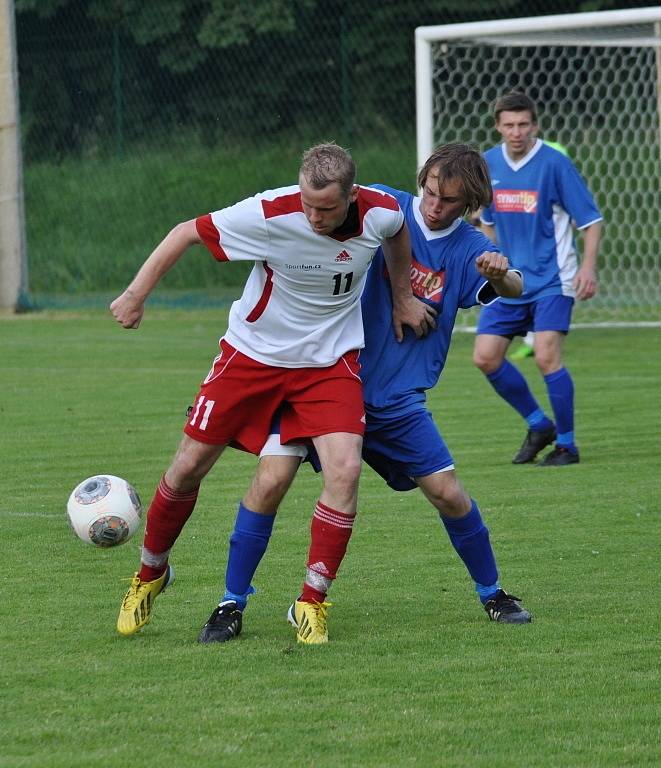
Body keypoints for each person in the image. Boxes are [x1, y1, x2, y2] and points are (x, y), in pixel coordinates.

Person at [197, 143, 532, 647]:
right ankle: (230, 603)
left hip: (396, 401)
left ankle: (493, 593)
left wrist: (500, 273)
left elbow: (515, 286)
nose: (433, 205)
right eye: (430, 191)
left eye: (448, 201)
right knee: (270, 481)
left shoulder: (467, 249)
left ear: (470, 205)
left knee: (448, 493)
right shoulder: (384, 208)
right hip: (323, 380)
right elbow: (320, 201)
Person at [110, 142, 435, 637]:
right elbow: (185, 233)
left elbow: (397, 236)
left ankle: (311, 602)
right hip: (252, 356)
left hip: (330, 363)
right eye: (307, 203)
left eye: (325, 208)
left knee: (345, 472)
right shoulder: (268, 213)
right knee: (188, 467)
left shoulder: (381, 212)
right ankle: (150, 574)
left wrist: (403, 298)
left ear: (352, 195)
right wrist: (135, 295)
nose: (312, 216)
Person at [473, 92, 603, 466]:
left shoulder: (554, 164)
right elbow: (488, 225)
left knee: (546, 355)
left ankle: (567, 445)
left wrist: (588, 268)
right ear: (497, 125)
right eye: (509, 125)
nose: (517, 132)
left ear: (536, 124)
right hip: (509, 283)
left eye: (524, 124)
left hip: (552, 280)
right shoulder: (488, 164)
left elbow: (591, 222)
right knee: (485, 357)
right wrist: (488, 267)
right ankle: (537, 424)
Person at [508, 141, 570, 362]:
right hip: (518, 259)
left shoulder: (555, 158)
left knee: (547, 357)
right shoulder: (501, 163)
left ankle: (535, 342)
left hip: (551, 267)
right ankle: (531, 341)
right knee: (486, 357)